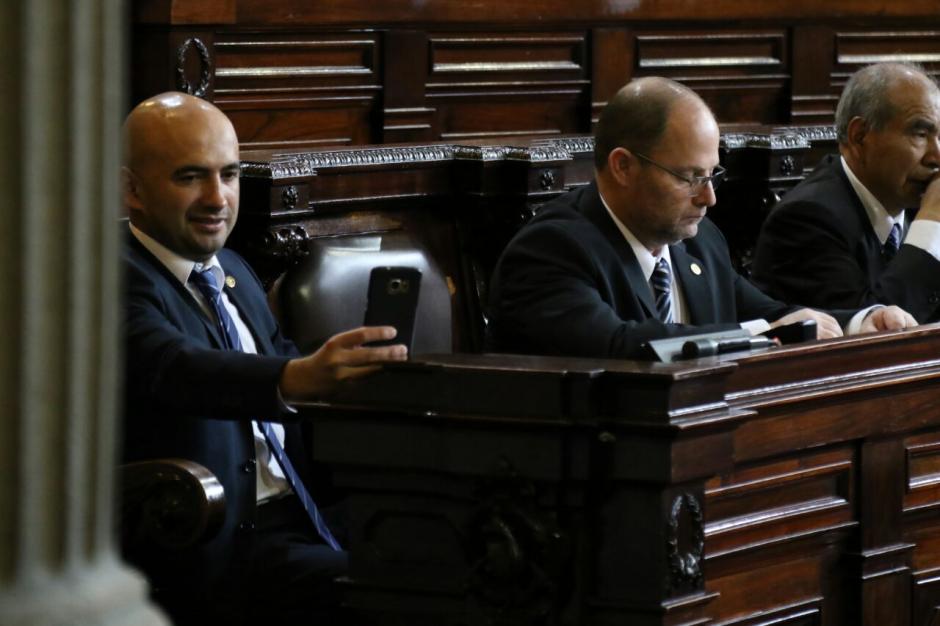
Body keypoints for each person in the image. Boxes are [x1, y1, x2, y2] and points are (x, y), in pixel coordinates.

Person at [121, 92, 407, 625]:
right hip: (215, 536)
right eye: (189, 177)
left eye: (228, 175)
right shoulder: (109, 271)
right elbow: (172, 366)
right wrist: (295, 378)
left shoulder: (231, 268)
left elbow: (284, 364)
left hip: (309, 510)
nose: (217, 198)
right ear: (132, 189)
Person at [487, 77, 916, 359]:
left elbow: (769, 313)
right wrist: (762, 337)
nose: (708, 197)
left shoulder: (699, 240)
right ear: (623, 166)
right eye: (689, 177)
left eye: (712, 175)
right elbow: (622, 347)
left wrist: (859, 322)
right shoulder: (552, 250)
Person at [751, 62, 940, 322]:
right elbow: (876, 335)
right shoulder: (806, 220)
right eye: (920, 134)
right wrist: (931, 226)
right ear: (860, 136)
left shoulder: (918, 202)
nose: (936, 156)